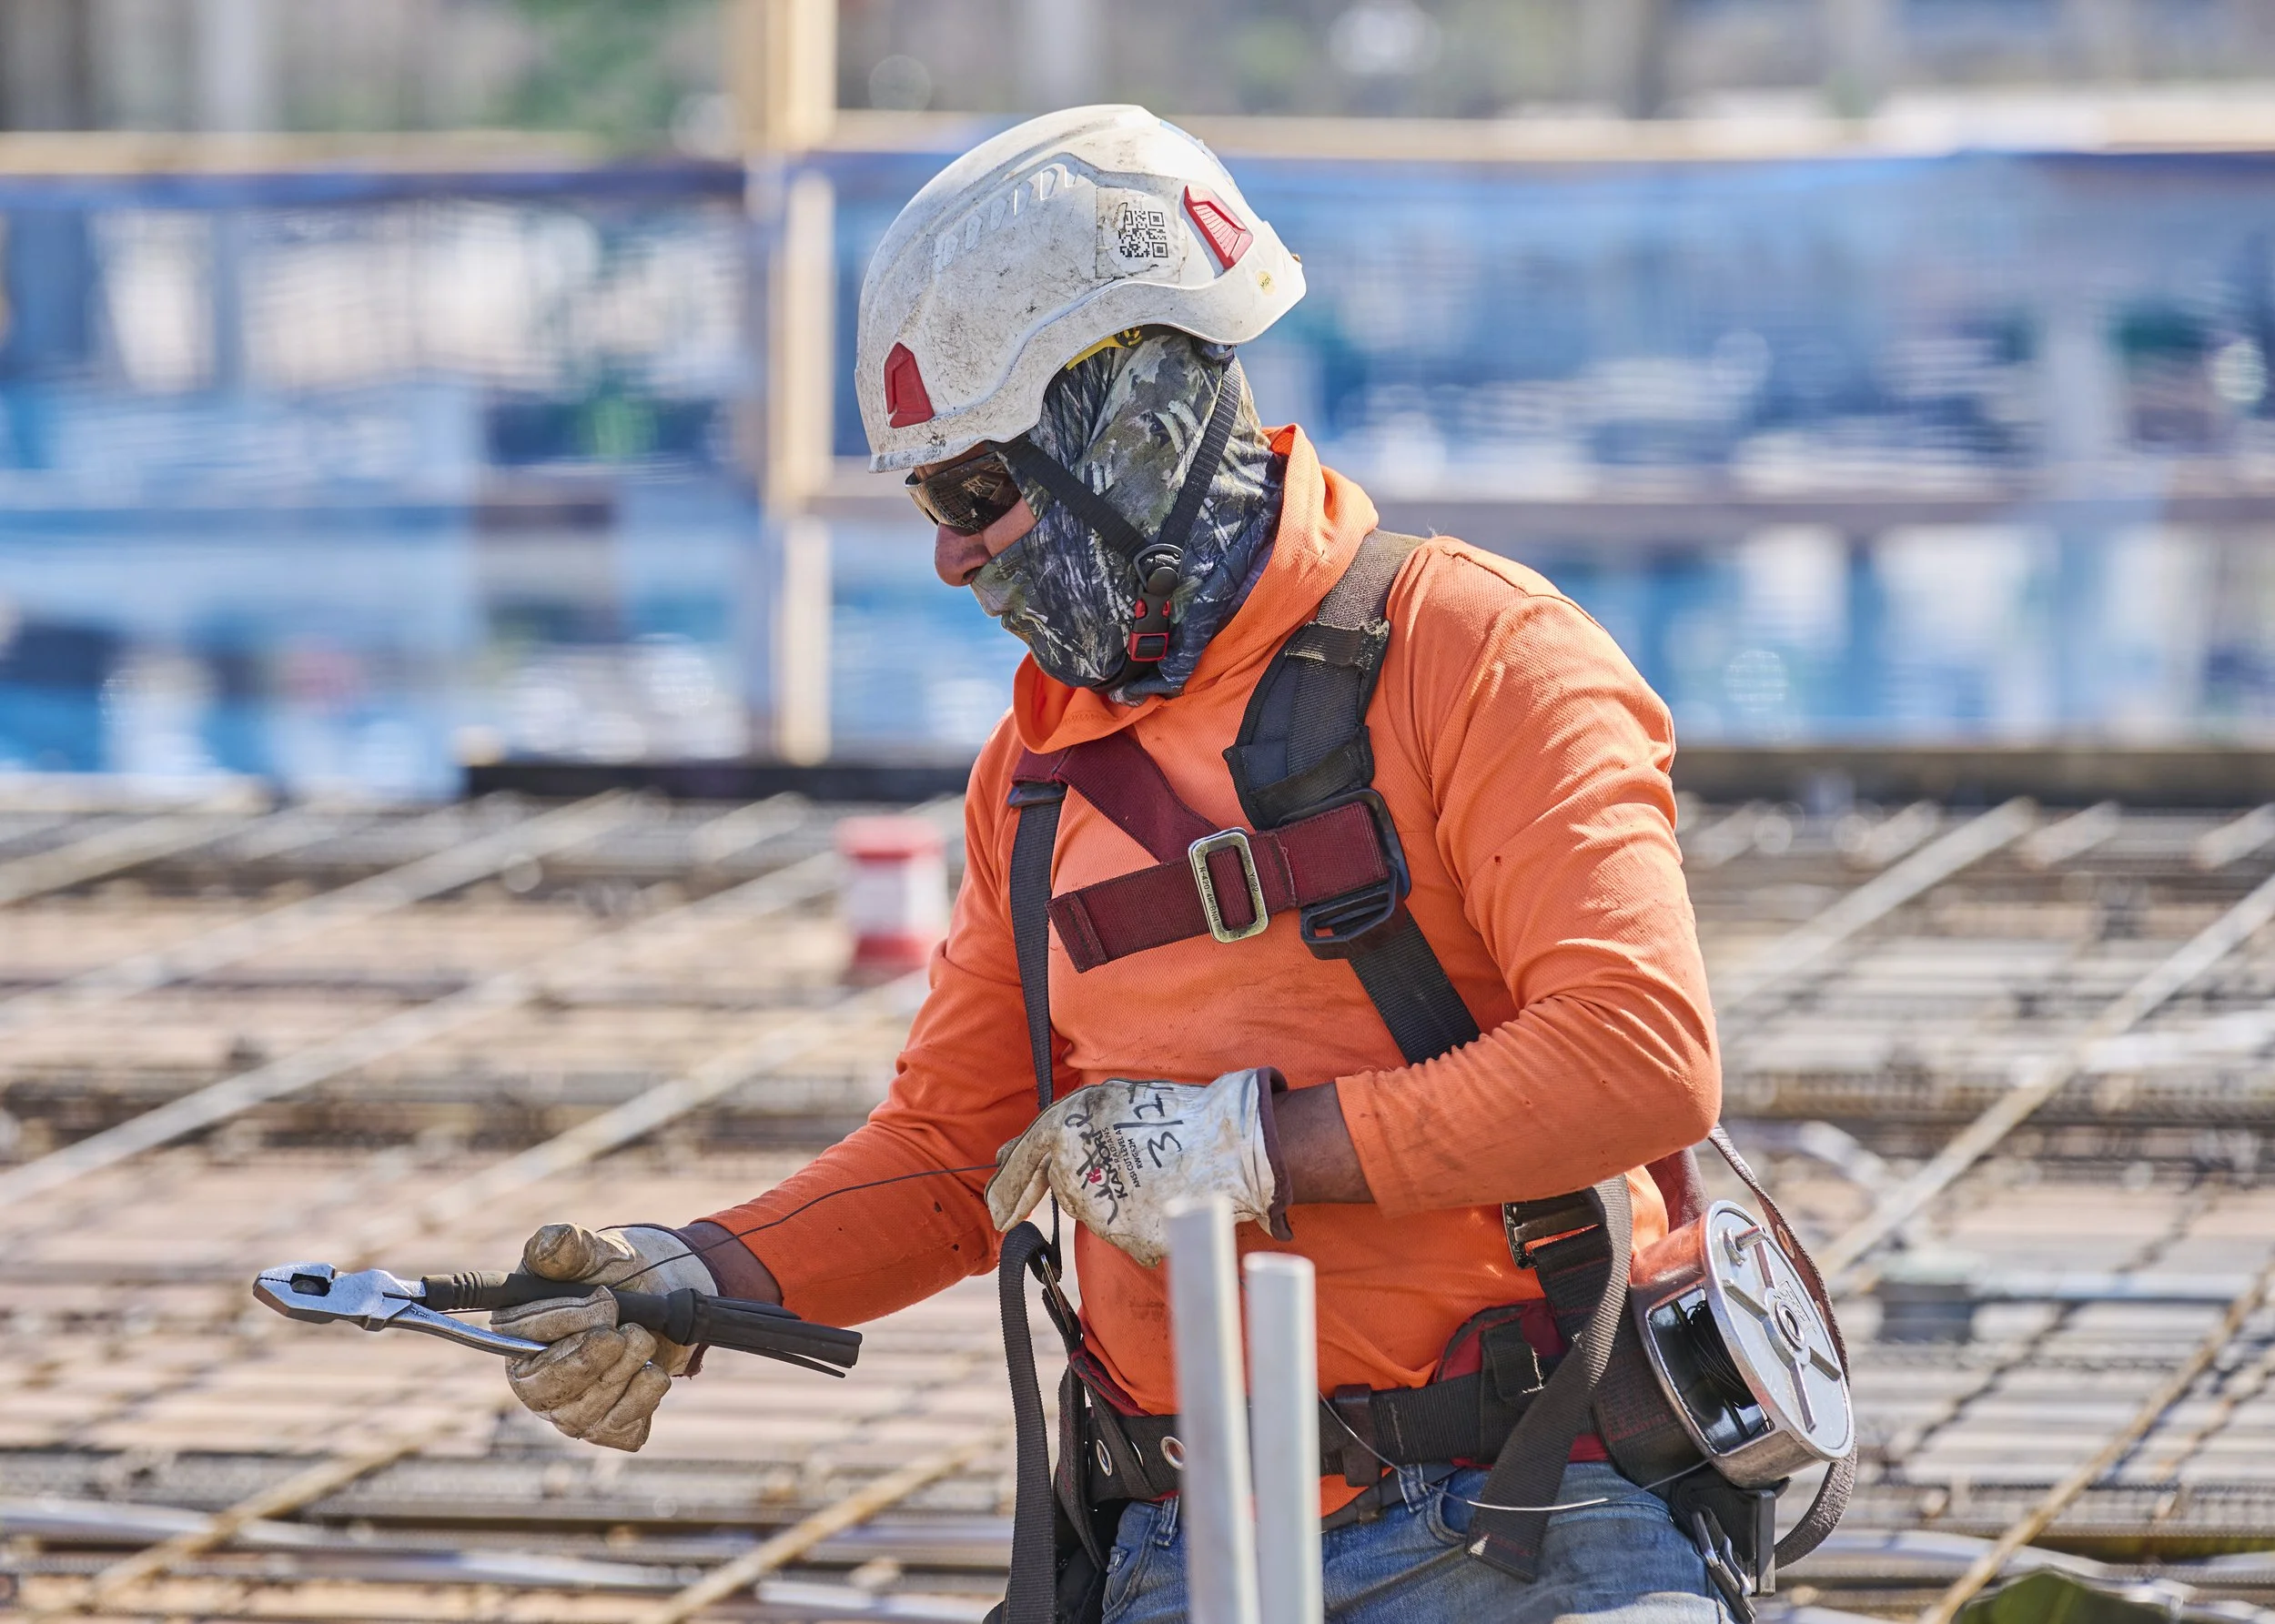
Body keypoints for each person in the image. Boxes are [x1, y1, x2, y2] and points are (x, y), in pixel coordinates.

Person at [494, 105, 1731, 1624]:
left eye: (973, 492)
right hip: (1179, 1537)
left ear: (1135, 428)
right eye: (927, 505)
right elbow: (956, 1161)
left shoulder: (1480, 658)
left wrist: (1255, 1154)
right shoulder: (1034, 781)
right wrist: (687, 1278)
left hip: (1532, 1519)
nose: (950, 556)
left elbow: (1638, 1060)